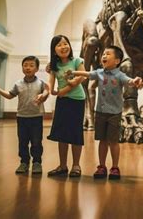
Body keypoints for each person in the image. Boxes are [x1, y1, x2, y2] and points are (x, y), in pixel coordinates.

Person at [70, 45, 143, 180]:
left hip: (114, 113)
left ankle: (115, 167)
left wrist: (136, 81)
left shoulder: (120, 75)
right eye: (103, 54)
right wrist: (74, 73)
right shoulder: (99, 72)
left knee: (113, 142)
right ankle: (102, 166)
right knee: (102, 141)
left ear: (117, 61)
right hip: (100, 112)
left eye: (108, 54)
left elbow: (130, 82)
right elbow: (87, 74)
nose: (104, 56)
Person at [0, 56, 49, 174]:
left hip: (36, 117)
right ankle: (24, 162)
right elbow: (9, 95)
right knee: (22, 141)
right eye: (25, 65)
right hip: (22, 117)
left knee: (36, 141)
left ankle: (37, 162)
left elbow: (47, 91)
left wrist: (44, 95)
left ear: (37, 68)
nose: (28, 68)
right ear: (22, 68)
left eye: (31, 65)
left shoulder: (40, 83)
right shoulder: (18, 84)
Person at [46, 35, 87, 178]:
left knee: (75, 133)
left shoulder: (77, 61)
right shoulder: (54, 66)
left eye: (65, 44)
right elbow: (51, 80)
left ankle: (76, 165)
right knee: (61, 134)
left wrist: (64, 90)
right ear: (54, 50)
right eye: (59, 45)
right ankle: (62, 165)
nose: (63, 47)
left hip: (77, 100)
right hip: (62, 101)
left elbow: (81, 76)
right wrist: (50, 90)